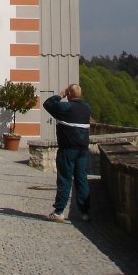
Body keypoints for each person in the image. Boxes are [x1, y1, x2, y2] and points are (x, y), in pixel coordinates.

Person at [43, 84, 91, 223]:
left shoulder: (65, 108)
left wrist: (60, 95)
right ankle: (85, 212)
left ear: (69, 94)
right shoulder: (86, 108)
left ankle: (59, 212)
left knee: (65, 179)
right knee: (81, 179)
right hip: (83, 149)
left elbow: (48, 104)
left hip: (68, 149)